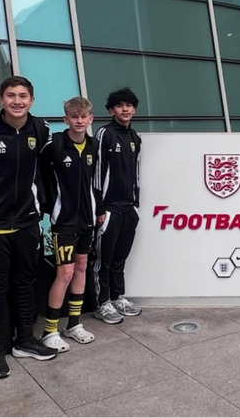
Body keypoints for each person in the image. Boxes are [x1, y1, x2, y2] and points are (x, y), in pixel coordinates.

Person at [0, 76, 58, 379]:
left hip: (28, 222)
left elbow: (46, 169)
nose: (17, 101)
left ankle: (25, 341)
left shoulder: (41, 129)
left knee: (26, 283)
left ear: (32, 100)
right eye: (10, 95)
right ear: (2, 99)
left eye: (22, 96)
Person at [40, 97, 104, 352]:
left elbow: (94, 181)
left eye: (83, 117)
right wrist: (46, 207)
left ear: (90, 119)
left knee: (81, 267)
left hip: (87, 219)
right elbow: (40, 177)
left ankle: (74, 324)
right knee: (64, 273)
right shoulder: (55, 144)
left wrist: (99, 208)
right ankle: (50, 330)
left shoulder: (93, 146)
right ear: (66, 119)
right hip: (63, 221)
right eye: (74, 117)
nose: (79, 121)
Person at [94, 88, 142, 324]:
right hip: (109, 209)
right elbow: (96, 172)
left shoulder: (135, 138)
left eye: (129, 105)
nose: (125, 109)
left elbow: (137, 172)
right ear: (111, 110)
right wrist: (99, 207)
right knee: (104, 260)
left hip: (128, 208)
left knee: (120, 258)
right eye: (120, 105)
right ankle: (102, 303)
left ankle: (117, 297)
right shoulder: (104, 133)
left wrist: (136, 203)